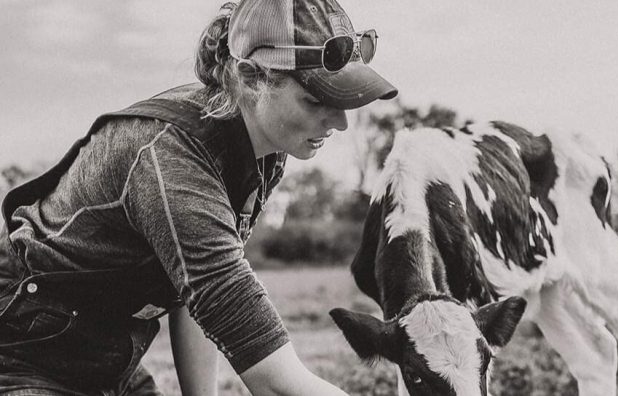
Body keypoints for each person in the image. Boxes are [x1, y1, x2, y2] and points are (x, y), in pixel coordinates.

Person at [0, 0, 397, 395]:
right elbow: (276, 381)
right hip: (25, 350)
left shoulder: (265, 152)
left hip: (109, 359)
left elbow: (197, 294)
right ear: (250, 77)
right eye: (314, 101)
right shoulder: (173, 159)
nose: (340, 122)